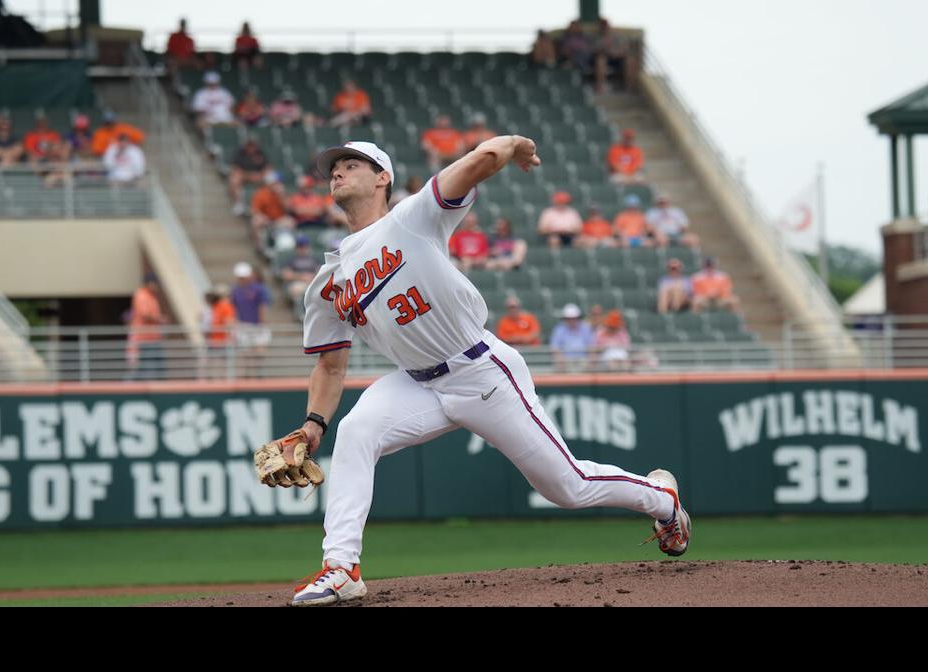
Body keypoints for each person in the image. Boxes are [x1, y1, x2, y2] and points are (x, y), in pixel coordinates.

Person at [276, 138, 689, 605]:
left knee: (566, 487)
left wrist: (513, 145)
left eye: (352, 164)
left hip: (480, 371)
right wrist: (314, 425)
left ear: (382, 177)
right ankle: (341, 567)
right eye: (333, 168)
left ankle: (662, 501)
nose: (338, 172)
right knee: (354, 431)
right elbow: (330, 365)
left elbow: (479, 161)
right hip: (417, 384)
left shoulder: (411, 219)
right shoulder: (329, 282)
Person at [231, 261, 272, 377]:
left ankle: (257, 376)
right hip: (243, 325)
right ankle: (246, 378)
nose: (241, 279)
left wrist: (262, 323)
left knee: (259, 352)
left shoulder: (259, 289)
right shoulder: (235, 290)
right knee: (245, 354)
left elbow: (263, 306)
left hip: (257, 324)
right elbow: (234, 307)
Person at [126, 272, 168, 381]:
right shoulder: (142, 295)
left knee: (155, 367)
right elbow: (145, 314)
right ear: (149, 283)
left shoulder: (150, 296)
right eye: (155, 283)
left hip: (152, 338)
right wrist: (160, 319)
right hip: (144, 339)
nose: (157, 286)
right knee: (144, 368)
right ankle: (128, 388)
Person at [251, 171, 291, 252]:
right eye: (276, 183)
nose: (278, 185)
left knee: (290, 222)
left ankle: (284, 247)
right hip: (266, 219)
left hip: (278, 220)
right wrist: (263, 217)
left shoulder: (282, 193)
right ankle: (259, 246)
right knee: (256, 221)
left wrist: (282, 195)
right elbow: (254, 210)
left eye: (279, 183)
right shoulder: (261, 193)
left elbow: (288, 210)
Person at [229, 138, 271, 214]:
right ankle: (238, 204)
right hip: (244, 175)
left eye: (253, 146)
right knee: (234, 179)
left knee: (270, 178)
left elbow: (267, 166)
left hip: (258, 176)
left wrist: (261, 174)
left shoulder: (260, 153)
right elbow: (235, 168)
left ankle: (266, 205)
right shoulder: (240, 153)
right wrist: (249, 175)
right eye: (249, 146)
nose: (251, 148)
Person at [548, 302, 594, 372]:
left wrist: (590, 359)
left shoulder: (585, 328)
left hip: (583, 360)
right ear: (565, 319)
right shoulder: (559, 329)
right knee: (558, 364)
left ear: (578, 318)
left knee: (593, 363)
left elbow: (591, 347)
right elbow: (555, 348)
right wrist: (561, 358)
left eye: (574, 318)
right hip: (566, 360)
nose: (572, 321)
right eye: (569, 318)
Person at [280, 235, 320, 306]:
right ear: (296, 248)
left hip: (311, 282)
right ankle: (299, 311)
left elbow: (320, 273)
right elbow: (286, 275)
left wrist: (311, 277)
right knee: (296, 289)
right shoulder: (291, 259)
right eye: (300, 247)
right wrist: (301, 277)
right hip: (296, 283)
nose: (303, 249)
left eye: (305, 247)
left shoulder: (314, 259)